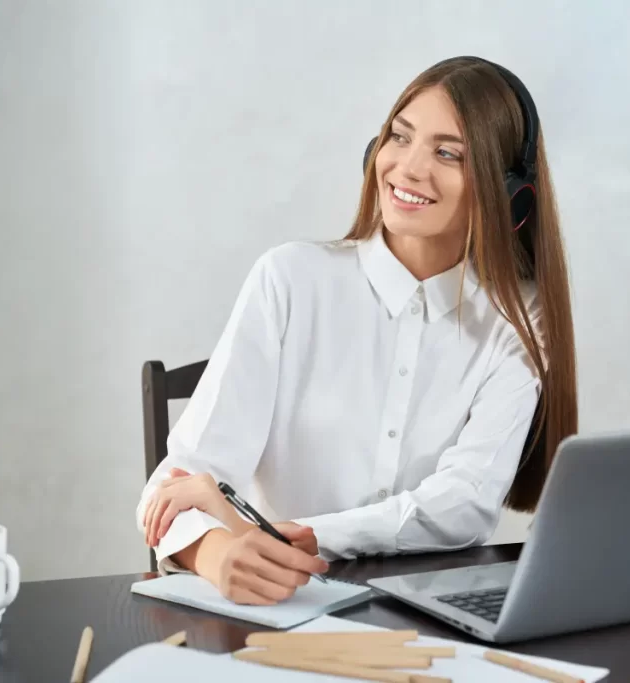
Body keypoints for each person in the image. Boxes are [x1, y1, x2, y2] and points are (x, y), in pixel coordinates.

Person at [136, 56, 578, 606]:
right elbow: (173, 487)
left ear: (511, 196)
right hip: (283, 605)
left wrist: (299, 534)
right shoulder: (291, 279)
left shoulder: (521, 316)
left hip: (431, 612)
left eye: (448, 153)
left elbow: (464, 503)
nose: (408, 168)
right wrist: (219, 553)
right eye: (400, 136)